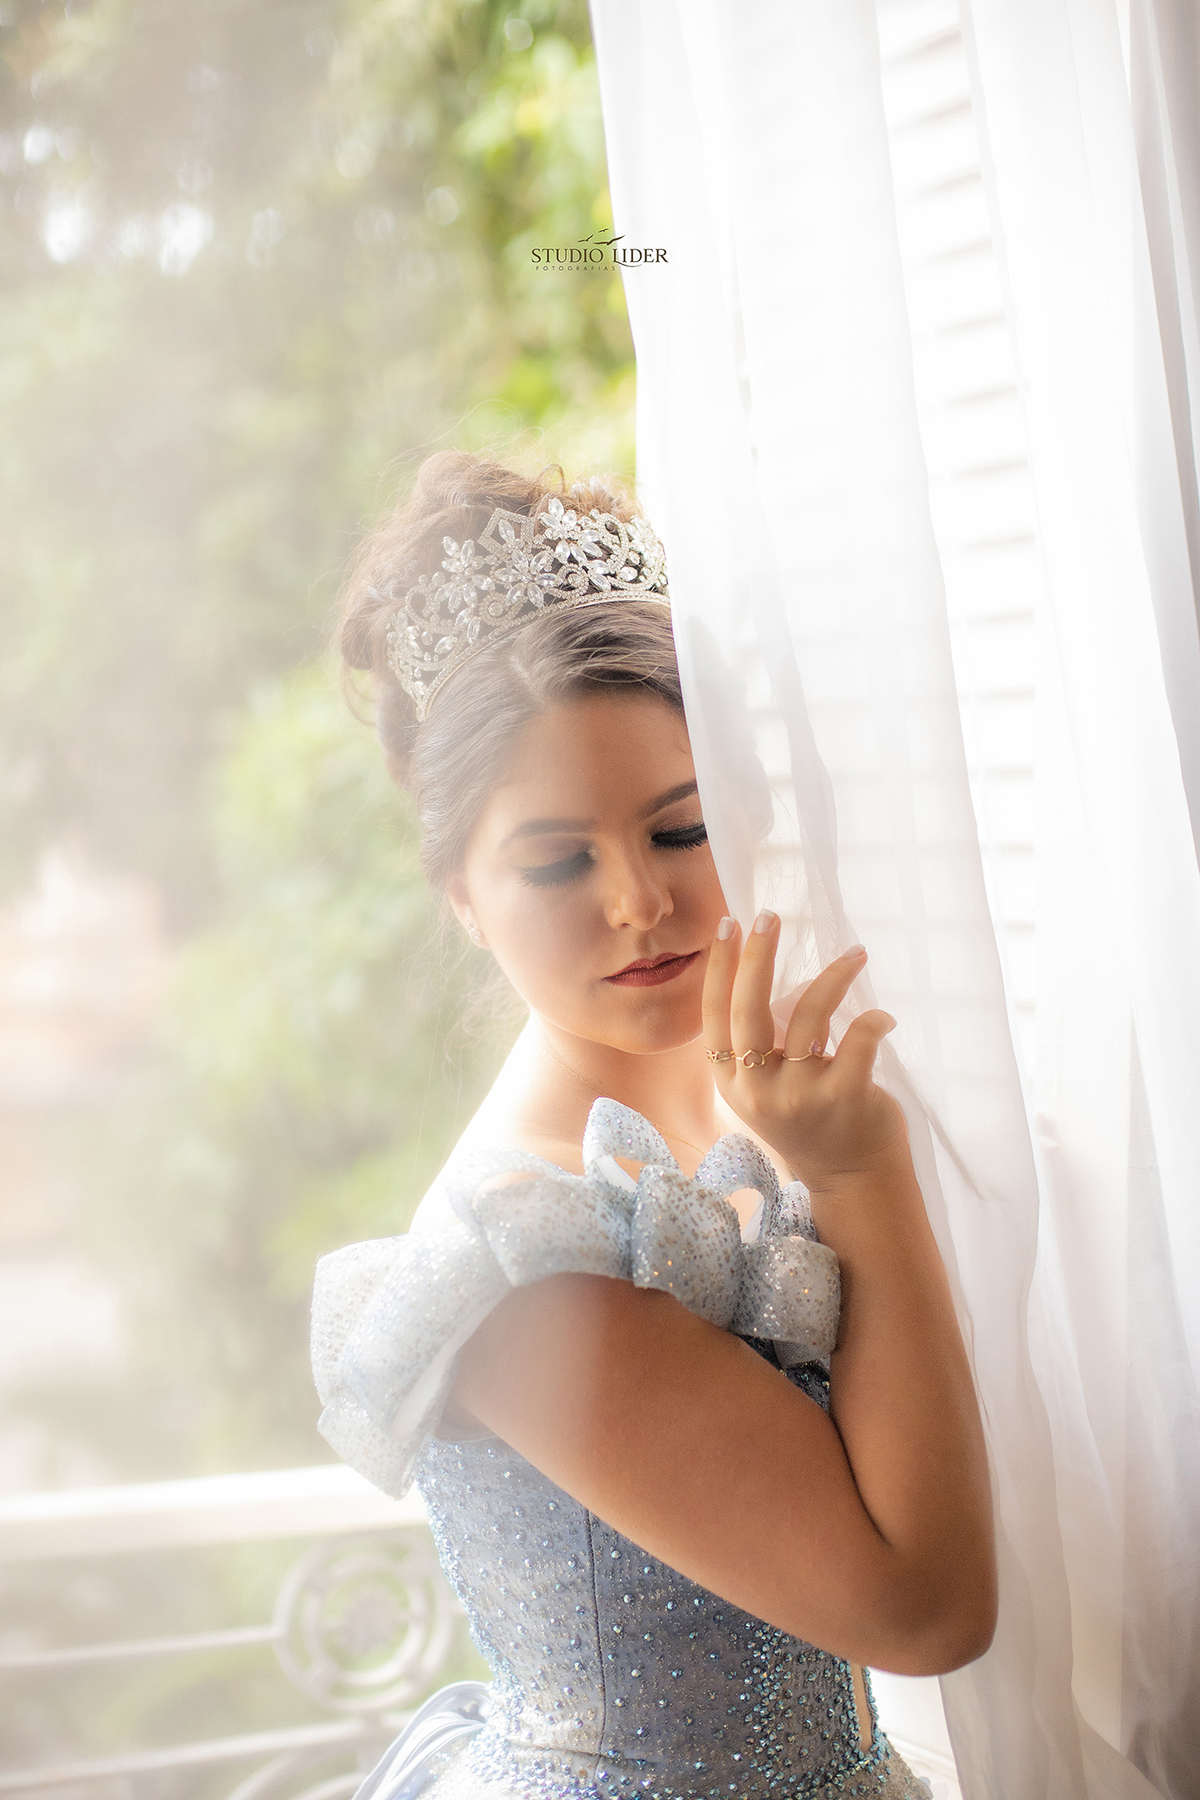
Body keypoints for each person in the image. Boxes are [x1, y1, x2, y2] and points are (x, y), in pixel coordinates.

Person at [311, 452, 997, 1800]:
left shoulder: (730, 1075)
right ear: (462, 894)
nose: (639, 904)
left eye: (681, 830)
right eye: (558, 861)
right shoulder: (531, 1259)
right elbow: (928, 1612)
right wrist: (861, 1177)